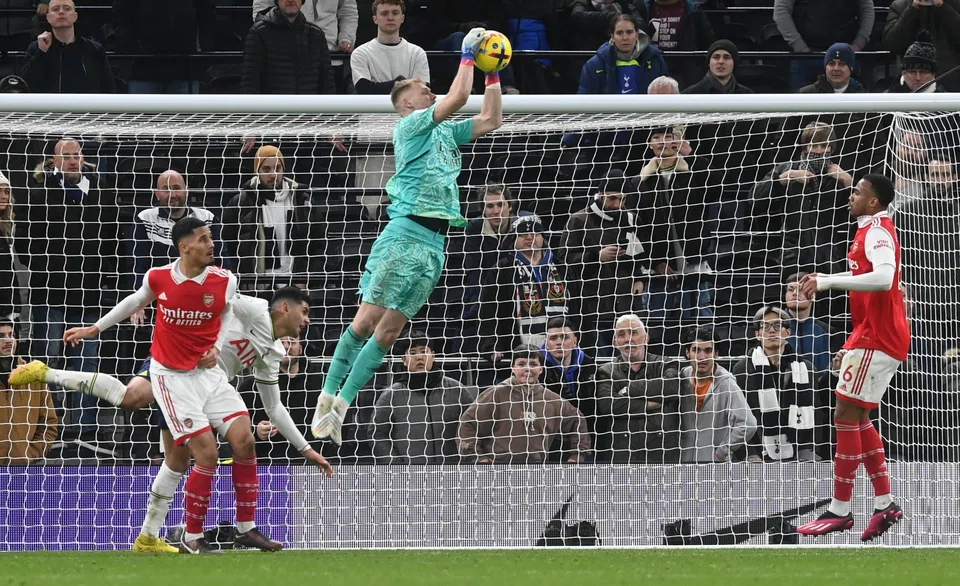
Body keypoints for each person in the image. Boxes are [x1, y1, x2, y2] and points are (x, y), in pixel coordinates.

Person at [11, 285, 334, 550]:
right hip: (176, 363)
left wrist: (305, 448)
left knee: (178, 460)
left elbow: (274, 407)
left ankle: (151, 536)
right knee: (132, 398)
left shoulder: (273, 352)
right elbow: (220, 300)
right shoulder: (253, 307)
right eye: (304, 312)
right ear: (285, 308)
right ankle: (47, 371)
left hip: (202, 390)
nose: (307, 321)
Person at [311, 28, 502, 444]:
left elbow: (491, 119)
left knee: (390, 333)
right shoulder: (413, 125)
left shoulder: (445, 133)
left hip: (435, 244)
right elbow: (454, 99)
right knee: (364, 323)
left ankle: (341, 408)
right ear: (407, 103)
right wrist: (467, 56)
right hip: (405, 234)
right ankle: (325, 397)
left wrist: (493, 73)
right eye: (423, 89)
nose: (431, 92)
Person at [51, 217, 276, 554]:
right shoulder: (158, 277)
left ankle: (246, 529)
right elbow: (134, 301)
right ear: (184, 247)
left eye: (210, 237)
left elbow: (227, 310)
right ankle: (190, 536)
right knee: (205, 454)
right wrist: (94, 329)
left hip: (208, 375)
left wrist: (215, 345)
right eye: (203, 239)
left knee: (244, 439)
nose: (211, 244)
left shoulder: (224, 279)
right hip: (171, 378)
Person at [795, 174, 909, 541]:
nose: (851, 194)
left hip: (878, 336)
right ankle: (885, 503)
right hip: (871, 333)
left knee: (845, 411)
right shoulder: (869, 230)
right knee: (855, 414)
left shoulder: (877, 231)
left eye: (858, 191)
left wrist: (828, 281)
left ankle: (840, 510)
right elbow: (872, 279)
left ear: (873, 201)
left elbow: (883, 279)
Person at [457, 344, 591, 464]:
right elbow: (467, 423)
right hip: (498, 471)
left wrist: (577, 455)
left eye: (533, 364)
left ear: (541, 369)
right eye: (521, 364)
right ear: (513, 368)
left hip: (538, 472)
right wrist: (477, 458)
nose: (528, 369)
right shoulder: (495, 394)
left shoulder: (551, 399)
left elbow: (577, 420)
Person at [369, 330, 477, 464]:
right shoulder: (392, 395)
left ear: (433, 355)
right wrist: (396, 465)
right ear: (404, 360)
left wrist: (469, 458)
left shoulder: (456, 389)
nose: (419, 357)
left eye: (424, 351)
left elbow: (475, 425)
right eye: (412, 353)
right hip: (409, 477)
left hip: (454, 473)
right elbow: (377, 434)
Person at [732, 306, 818, 462]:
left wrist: (807, 450)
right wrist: (750, 453)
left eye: (778, 325)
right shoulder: (742, 369)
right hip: (758, 454)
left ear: (788, 332)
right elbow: (739, 417)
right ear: (757, 335)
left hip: (800, 451)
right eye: (765, 326)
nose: (772, 330)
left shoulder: (807, 369)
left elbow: (816, 412)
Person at [594, 314, 681, 463]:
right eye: (622, 335)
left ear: (646, 337)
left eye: (634, 332)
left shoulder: (664, 364)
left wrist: (628, 390)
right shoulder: (605, 371)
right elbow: (609, 405)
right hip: (622, 456)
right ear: (615, 342)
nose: (628, 339)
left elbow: (671, 387)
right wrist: (646, 404)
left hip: (662, 455)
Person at [678, 327, 756, 464]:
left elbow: (748, 424)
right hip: (683, 463)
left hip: (716, 467)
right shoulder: (681, 377)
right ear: (687, 353)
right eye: (696, 350)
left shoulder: (727, 383)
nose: (702, 357)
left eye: (708, 351)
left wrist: (722, 452)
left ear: (716, 354)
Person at [20, 0, 116, 94]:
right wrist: (41, 53)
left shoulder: (94, 49)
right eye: (56, 9)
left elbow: (108, 88)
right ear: (48, 18)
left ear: (75, 16)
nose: (61, 12)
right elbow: (26, 85)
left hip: (85, 108)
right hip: (48, 108)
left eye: (67, 9)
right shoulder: (36, 47)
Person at [241, 0, 336, 95]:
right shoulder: (259, 33)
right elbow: (250, 83)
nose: (291, 0)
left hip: (309, 108)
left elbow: (328, 86)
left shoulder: (316, 35)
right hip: (270, 108)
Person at [0, 320, 58, 466]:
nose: (8, 341)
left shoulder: (34, 376)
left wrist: (31, 453)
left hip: (23, 470)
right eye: (1, 336)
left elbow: (49, 424)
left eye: (11, 335)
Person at [351, 0, 430, 94]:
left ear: (402, 18)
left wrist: (383, 86)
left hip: (409, 109)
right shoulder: (360, 53)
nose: (390, 18)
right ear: (375, 19)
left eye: (395, 13)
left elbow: (421, 91)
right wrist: (402, 83)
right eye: (384, 13)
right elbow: (364, 90)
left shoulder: (417, 53)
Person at [577, 15, 668, 95]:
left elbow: (666, 96)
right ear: (612, 37)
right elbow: (583, 100)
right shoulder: (594, 65)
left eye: (629, 32)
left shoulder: (655, 60)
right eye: (619, 33)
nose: (625, 38)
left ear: (637, 35)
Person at [884, 1, 960, 92]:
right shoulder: (900, 5)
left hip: (950, 81)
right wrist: (912, 10)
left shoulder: (956, 4)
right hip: (909, 84)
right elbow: (892, 44)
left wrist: (943, 7)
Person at [797, 43, 866, 94]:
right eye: (831, 64)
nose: (836, 68)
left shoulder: (862, 96)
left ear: (851, 68)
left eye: (842, 64)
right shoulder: (805, 94)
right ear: (825, 67)